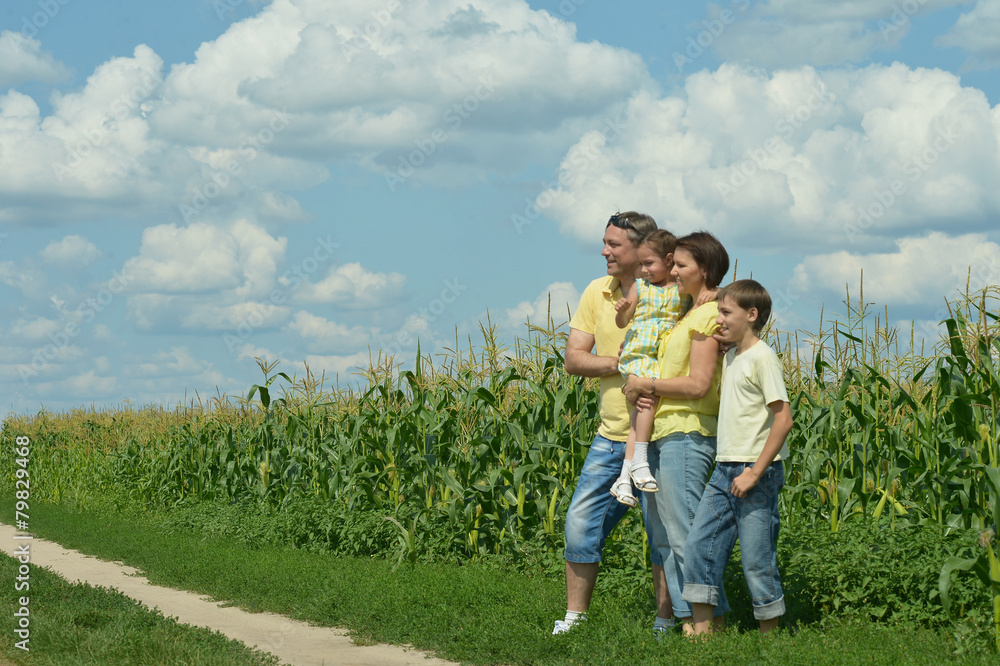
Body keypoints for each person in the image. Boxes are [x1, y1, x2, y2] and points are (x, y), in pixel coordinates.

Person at [556, 211, 673, 637]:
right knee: (580, 524)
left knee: (661, 535)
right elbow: (573, 359)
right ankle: (575, 620)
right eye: (605, 243)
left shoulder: (668, 293)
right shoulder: (597, 292)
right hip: (609, 436)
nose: (604, 251)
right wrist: (622, 362)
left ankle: (665, 623)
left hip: (660, 435)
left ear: (642, 250)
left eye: (613, 245)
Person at [622, 230, 731, 631]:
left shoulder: (706, 315)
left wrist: (646, 385)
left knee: (685, 532)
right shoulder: (687, 311)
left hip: (687, 432)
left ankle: (710, 624)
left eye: (682, 265)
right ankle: (690, 620)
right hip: (664, 434)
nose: (673, 270)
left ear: (704, 269)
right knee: (666, 537)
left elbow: (699, 384)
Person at [682, 279, 793, 635]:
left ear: (752, 314)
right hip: (724, 467)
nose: (720, 320)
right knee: (700, 545)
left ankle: (769, 638)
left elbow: (783, 419)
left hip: (755, 471)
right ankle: (703, 632)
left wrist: (754, 473)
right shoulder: (731, 356)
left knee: (757, 559)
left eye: (726, 313)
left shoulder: (763, 357)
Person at [610, 230, 692, 508]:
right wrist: (622, 309)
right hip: (641, 352)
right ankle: (641, 461)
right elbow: (623, 322)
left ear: (669, 260)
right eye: (641, 265)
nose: (643, 270)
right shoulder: (640, 287)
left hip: (661, 357)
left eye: (649, 264)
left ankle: (624, 476)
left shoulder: (681, 291)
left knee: (640, 413)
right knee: (648, 401)